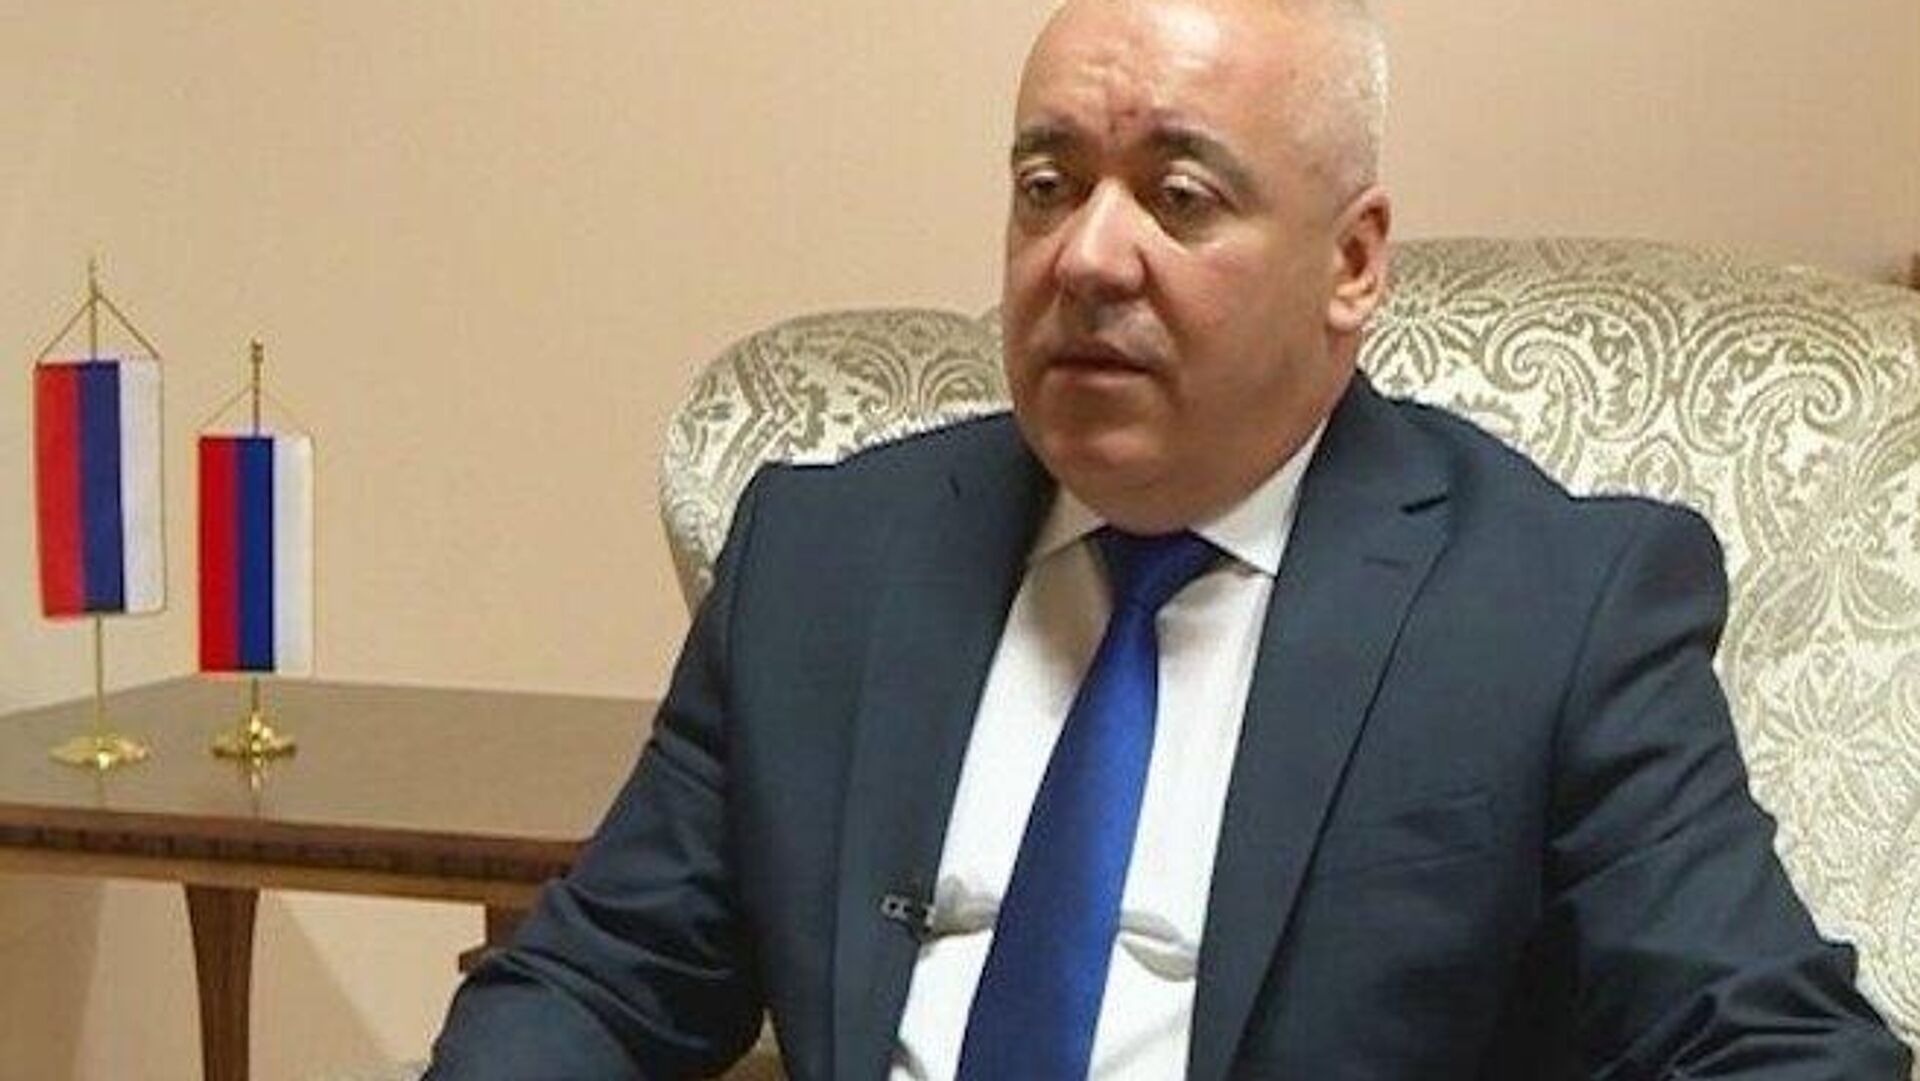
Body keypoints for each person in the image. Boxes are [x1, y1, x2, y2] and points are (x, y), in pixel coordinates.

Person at [428, 0, 1912, 1077]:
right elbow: (599, 987)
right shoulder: (826, 561)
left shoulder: (1553, 610)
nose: (1087, 255)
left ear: (1351, 263)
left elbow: (1771, 1042)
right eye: (1047, 187)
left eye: (1179, 197)